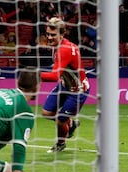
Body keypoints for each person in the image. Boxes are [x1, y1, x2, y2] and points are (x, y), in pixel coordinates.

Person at [40, 17, 90, 153]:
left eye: (53, 35)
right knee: (46, 112)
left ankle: (61, 143)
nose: (49, 38)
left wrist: (34, 75)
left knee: (60, 120)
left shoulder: (64, 50)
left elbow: (54, 76)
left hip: (77, 90)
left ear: (62, 35)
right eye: (48, 34)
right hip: (65, 86)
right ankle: (71, 124)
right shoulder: (59, 46)